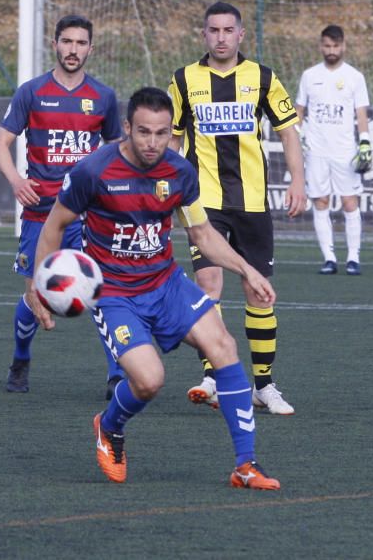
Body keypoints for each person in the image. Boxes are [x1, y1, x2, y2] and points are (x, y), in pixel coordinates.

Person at [27, 86, 281, 489]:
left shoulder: (179, 171)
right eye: (143, 132)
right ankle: (109, 427)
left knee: (224, 347)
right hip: (113, 295)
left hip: (166, 283)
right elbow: (54, 226)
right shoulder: (94, 171)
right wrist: (38, 286)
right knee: (149, 381)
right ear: (127, 127)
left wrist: (246, 271)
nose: (152, 142)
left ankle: (245, 465)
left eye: (162, 133)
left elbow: (201, 233)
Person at [167, 1, 306, 415]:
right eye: (214, 30)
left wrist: (297, 179)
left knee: (258, 294)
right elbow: (172, 140)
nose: (221, 37)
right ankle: (213, 378)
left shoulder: (262, 78)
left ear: (241, 35)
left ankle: (264, 385)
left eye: (229, 30)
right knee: (209, 287)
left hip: (252, 202)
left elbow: (288, 131)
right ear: (204, 35)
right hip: (202, 201)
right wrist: (163, 188)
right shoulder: (184, 79)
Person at [0, 14, 124, 398]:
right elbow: (0, 144)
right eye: (67, 41)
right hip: (41, 214)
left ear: (90, 49)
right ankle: (21, 359)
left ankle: (116, 373)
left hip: (87, 216)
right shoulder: (32, 92)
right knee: (36, 295)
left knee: (102, 290)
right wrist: (17, 181)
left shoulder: (103, 97)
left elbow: (116, 151)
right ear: (55, 44)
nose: (73, 49)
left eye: (81, 43)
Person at [295, 24, 372, 276]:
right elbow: (299, 111)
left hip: (344, 151)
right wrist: (299, 135)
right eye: (327, 46)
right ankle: (329, 258)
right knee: (321, 201)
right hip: (316, 150)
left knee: (350, 202)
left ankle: (353, 258)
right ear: (320, 46)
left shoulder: (354, 77)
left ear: (344, 46)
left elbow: (361, 113)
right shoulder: (309, 76)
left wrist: (365, 142)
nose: (331, 50)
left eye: (336, 46)